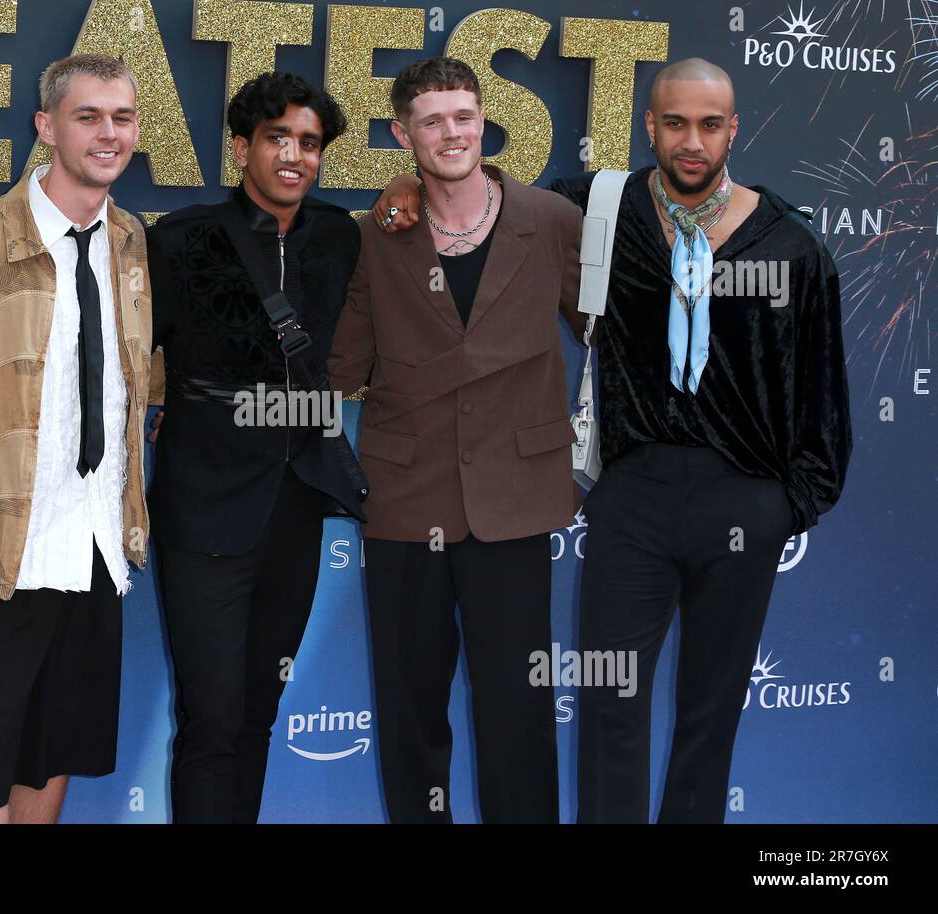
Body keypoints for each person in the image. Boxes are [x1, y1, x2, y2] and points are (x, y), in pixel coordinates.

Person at [375, 57, 852, 823]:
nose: (690, 141)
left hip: (745, 504)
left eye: (708, 124)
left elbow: (824, 394)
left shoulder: (791, 245)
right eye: (674, 123)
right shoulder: (598, 209)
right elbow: (482, 194)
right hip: (633, 498)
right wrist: (403, 186)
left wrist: (788, 506)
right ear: (649, 127)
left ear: (734, 129)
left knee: (710, 713)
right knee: (609, 703)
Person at [328, 57, 585, 823]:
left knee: (520, 712)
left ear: (484, 122)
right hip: (407, 501)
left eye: (464, 116)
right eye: (433, 120)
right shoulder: (375, 235)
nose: (452, 133)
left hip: (516, 497)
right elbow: (343, 365)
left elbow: (609, 331)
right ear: (404, 133)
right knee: (409, 713)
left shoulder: (551, 220)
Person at [0, 54, 154, 824]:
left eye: (121, 117)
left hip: (92, 547)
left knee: (53, 756)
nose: (107, 133)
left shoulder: (133, 246)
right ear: (46, 127)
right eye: (88, 116)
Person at [145, 71, 367, 824]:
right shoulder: (181, 238)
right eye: (278, 139)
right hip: (204, 508)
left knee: (257, 716)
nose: (294, 156)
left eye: (309, 143)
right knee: (210, 722)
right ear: (242, 147)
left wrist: (401, 190)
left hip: (294, 506)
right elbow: (130, 351)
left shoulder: (339, 236)